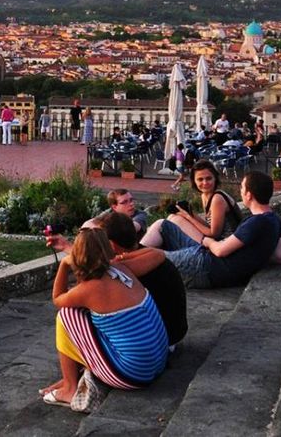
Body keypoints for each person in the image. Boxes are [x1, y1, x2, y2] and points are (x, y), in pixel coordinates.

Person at [41, 229, 169, 407]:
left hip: (133, 375)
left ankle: (69, 387)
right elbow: (157, 254)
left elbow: (58, 299)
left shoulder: (90, 289)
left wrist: (63, 265)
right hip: (157, 362)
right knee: (95, 318)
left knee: (67, 315)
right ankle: (71, 375)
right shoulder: (122, 269)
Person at [50, 214, 188, 350]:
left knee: (72, 313)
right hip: (174, 333)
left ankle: (91, 364)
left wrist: (65, 262)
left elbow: (59, 299)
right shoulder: (146, 255)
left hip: (160, 341)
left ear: (111, 244)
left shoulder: (123, 269)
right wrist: (67, 247)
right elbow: (159, 254)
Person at [160, 171, 281, 288]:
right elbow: (278, 256)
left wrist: (207, 241)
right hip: (216, 267)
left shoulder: (256, 222)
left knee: (153, 257)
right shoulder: (275, 220)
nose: (240, 191)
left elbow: (220, 251)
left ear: (248, 195)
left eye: (242, 187)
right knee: (163, 226)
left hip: (205, 267)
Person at [142, 161, 240, 250]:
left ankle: (141, 250)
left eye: (209, 178)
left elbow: (214, 233)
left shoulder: (217, 199)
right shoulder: (205, 196)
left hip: (224, 245)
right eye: (200, 179)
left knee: (166, 223)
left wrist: (189, 218)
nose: (205, 183)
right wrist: (191, 213)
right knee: (173, 217)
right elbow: (208, 226)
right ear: (194, 181)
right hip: (216, 242)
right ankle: (143, 251)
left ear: (215, 178)